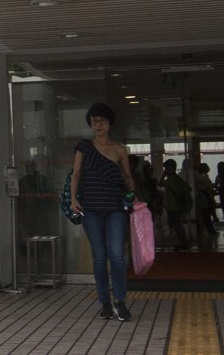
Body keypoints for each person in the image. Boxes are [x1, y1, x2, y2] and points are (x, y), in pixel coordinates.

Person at [70, 102, 135, 322]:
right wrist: (73, 199)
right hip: (91, 209)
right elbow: (76, 175)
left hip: (115, 208)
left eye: (102, 121)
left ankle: (120, 300)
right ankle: (104, 302)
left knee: (116, 255)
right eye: (94, 121)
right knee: (99, 258)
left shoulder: (119, 150)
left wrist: (134, 197)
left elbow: (127, 178)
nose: (97, 125)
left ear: (109, 124)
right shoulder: (83, 146)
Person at [160, 159, 191, 250]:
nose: (165, 170)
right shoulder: (178, 179)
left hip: (174, 206)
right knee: (176, 224)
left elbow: (160, 184)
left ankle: (183, 243)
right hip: (177, 205)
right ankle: (183, 242)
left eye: (166, 168)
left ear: (170, 168)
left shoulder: (171, 180)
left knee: (176, 224)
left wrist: (164, 174)